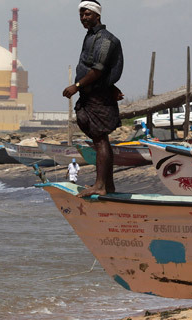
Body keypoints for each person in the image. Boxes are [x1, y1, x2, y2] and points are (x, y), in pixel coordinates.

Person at [62, 0, 123, 197]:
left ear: (97, 15)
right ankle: (107, 185)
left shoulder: (106, 40)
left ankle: (101, 186)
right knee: (99, 140)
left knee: (101, 140)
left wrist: (76, 86)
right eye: (81, 15)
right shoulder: (90, 37)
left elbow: (98, 70)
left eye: (87, 14)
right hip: (91, 95)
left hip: (99, 97)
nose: (83, 18)